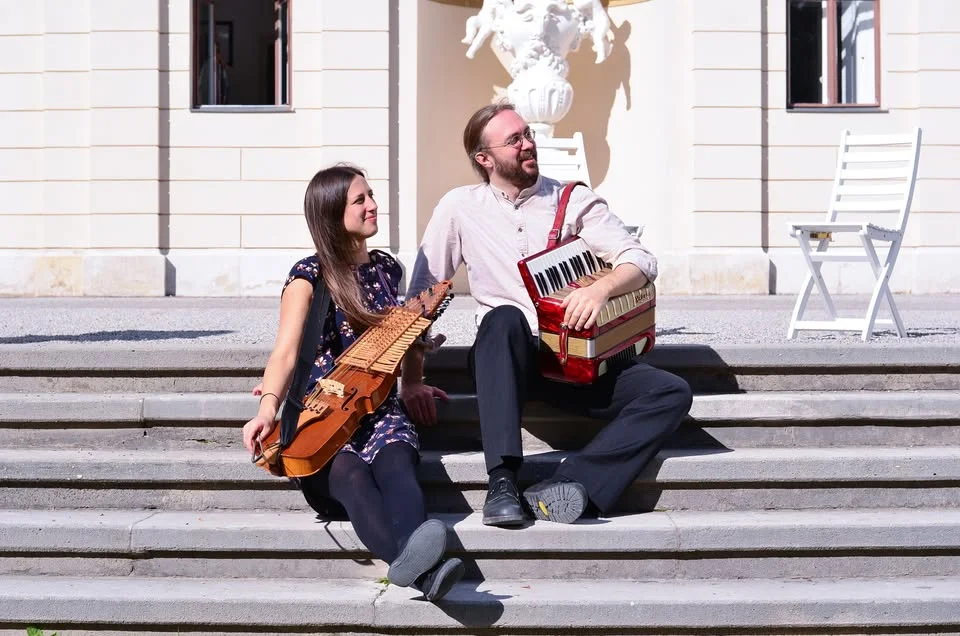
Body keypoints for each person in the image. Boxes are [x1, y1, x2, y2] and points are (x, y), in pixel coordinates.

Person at [401, 102, 693, 527]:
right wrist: (411, 380)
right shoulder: (460, 207)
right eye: (514, 140)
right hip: (506, 361)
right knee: (502, 319)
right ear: (485, 159)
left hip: (571, 361)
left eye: (528, 135)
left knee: (671, 392)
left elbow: (640, 260)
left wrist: (602, 288)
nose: (528, 144)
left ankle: (574, 484)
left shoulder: (572, 200)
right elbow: (421, 299)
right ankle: (502, 481)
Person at [241, 164, 464, 601]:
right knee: (351, 478)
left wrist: (412, 383)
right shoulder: (309, 276)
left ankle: (418, 571)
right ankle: (426, 574)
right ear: (331, 213)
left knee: (398, 466)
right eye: (359, 200)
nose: (373, 206)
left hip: (378, 408)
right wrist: (268, 409)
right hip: (323, 413)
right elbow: (285, 352)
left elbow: (404, 338)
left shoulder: (387, 269)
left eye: (371, 196)